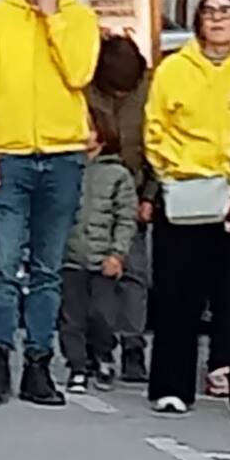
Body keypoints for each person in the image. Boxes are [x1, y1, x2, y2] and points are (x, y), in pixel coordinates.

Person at [0, 0, 100, 407]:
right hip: (9, 156)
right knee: (0, 265)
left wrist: (51, 16)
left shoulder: (80, 19)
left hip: (62, 155)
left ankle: (39, 364)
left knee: (47, 269)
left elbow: (80, 72)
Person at [145, 0, 230, 424]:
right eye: (209, 12)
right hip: (186, 190)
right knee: (178, 293)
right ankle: (170, 387)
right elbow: (156, 128)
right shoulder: (173, 70)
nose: (217, 19)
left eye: (227, 12)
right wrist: (173, 170)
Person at [87, 35, 153, 382]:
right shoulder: (86, 88)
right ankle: (99, 346)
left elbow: (159, 141)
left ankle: (133, 347)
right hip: (93, 189)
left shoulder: (149, 87)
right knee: (96, 274)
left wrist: (150, 196)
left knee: (134, 274)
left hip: (135, 187)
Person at [60, 108, 138, 393]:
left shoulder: (117, 174)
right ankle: (77, 367)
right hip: (69, 257)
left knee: (102, 314)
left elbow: (125, 217)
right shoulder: (66, 169)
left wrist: (117, 254)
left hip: (104, 258)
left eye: (89, 128)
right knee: (71, 317)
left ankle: (103, 354)